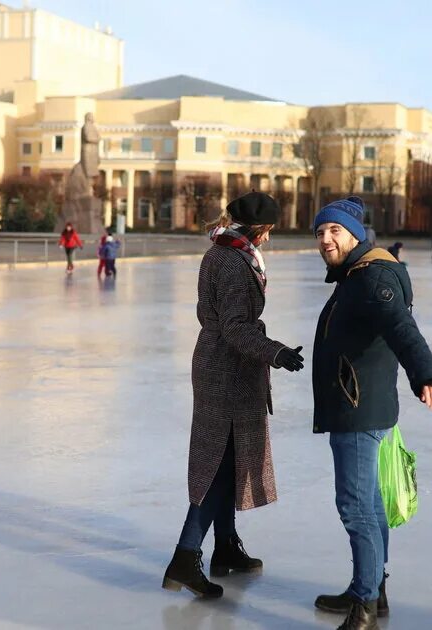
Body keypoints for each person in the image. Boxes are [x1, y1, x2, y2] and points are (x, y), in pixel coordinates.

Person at [162, 191, 305, 599]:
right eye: (270, 230)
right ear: (262, 228)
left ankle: (225, 546)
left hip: (223, 365)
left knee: (228, 458)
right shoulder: (232, 260)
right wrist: (275, 352)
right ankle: (186, 557)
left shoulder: (225, 250)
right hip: (226, 369)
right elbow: (235, 327)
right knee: (219, 467)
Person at [310, 196, 432, 630]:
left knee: (356, 507)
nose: (326, 239)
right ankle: (370, 589)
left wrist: (426, 373)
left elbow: (402, 329)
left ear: (354, 234)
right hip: (363, 405)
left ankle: (365, 605)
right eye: (320, 232)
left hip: (358, 411)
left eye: (334, 231)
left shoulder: (371, 278)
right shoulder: (356, 275)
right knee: (368, 503)